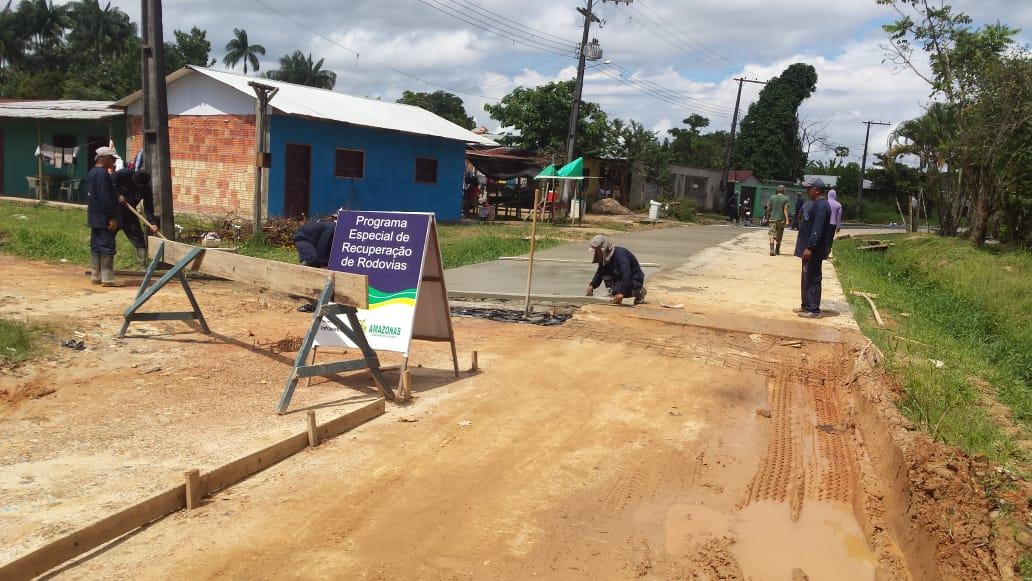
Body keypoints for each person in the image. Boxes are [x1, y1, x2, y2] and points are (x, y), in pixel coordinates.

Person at [794, 178, 835, 318]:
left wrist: (810, 247)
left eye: (809, 188)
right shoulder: (815, 204)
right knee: (806, 276)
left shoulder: (822, 206)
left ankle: (813, 309)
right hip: (808, 248)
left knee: (813, 277)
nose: (807, 191)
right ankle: (805, 306)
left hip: (814, 250)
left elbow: (818, 229)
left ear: (817, 190)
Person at [87, 147, 121, 286]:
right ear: (105, 158)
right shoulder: (103, 174)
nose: (113, 163)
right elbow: (105, 197)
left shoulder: (92, 172)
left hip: (94, 216)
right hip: (103, 218)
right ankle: (107, 278)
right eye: (112, 159)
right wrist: (111, 217)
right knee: (107, 245)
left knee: (96, 246)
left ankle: (96, 276)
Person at [585, 235, 646, 305]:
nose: (595, 253)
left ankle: (638, 291)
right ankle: (617, 291)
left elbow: (626, 274)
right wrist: (592, 285)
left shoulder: (621, 255)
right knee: (612, 286)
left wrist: (621, 292)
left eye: (597, 250)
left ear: (603, 249)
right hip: (619, 280)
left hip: (633, 280)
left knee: (617, 291)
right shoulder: (604, 257)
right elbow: (600, 272)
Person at [113, 168, 157, 265]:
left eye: (141, 186)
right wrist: (117, 195)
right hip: (113, 213)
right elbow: (108, 183)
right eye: (137, 185)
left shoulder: (146, 189)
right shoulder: (124, 174)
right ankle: (103, 265)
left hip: (129, 215)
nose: (139, 188)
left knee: (139, 240)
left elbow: (148, 208)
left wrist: (152, 223)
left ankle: (142, 265)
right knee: (107, 239)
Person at [767, 185, 790, 256]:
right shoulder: (786, 198)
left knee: (771, 234)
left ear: (777, 190)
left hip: (772, 219)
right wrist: (787, 220)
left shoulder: (772, 197)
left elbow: (768, 208)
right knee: (779, 235)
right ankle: (777, 250)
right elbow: (785, 209)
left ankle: (771, 249)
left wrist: (768, 216)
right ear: (784, 190)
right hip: (781, 220)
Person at [827, 189, 843, 258]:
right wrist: (838, 226)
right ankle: (827, 252)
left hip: (825, 224)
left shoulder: (825, 202)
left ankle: (822, 252)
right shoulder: (838, 205)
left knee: (823, 238)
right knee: (830, 239)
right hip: (832, 225)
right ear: (835, 195)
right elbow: (838, 217)